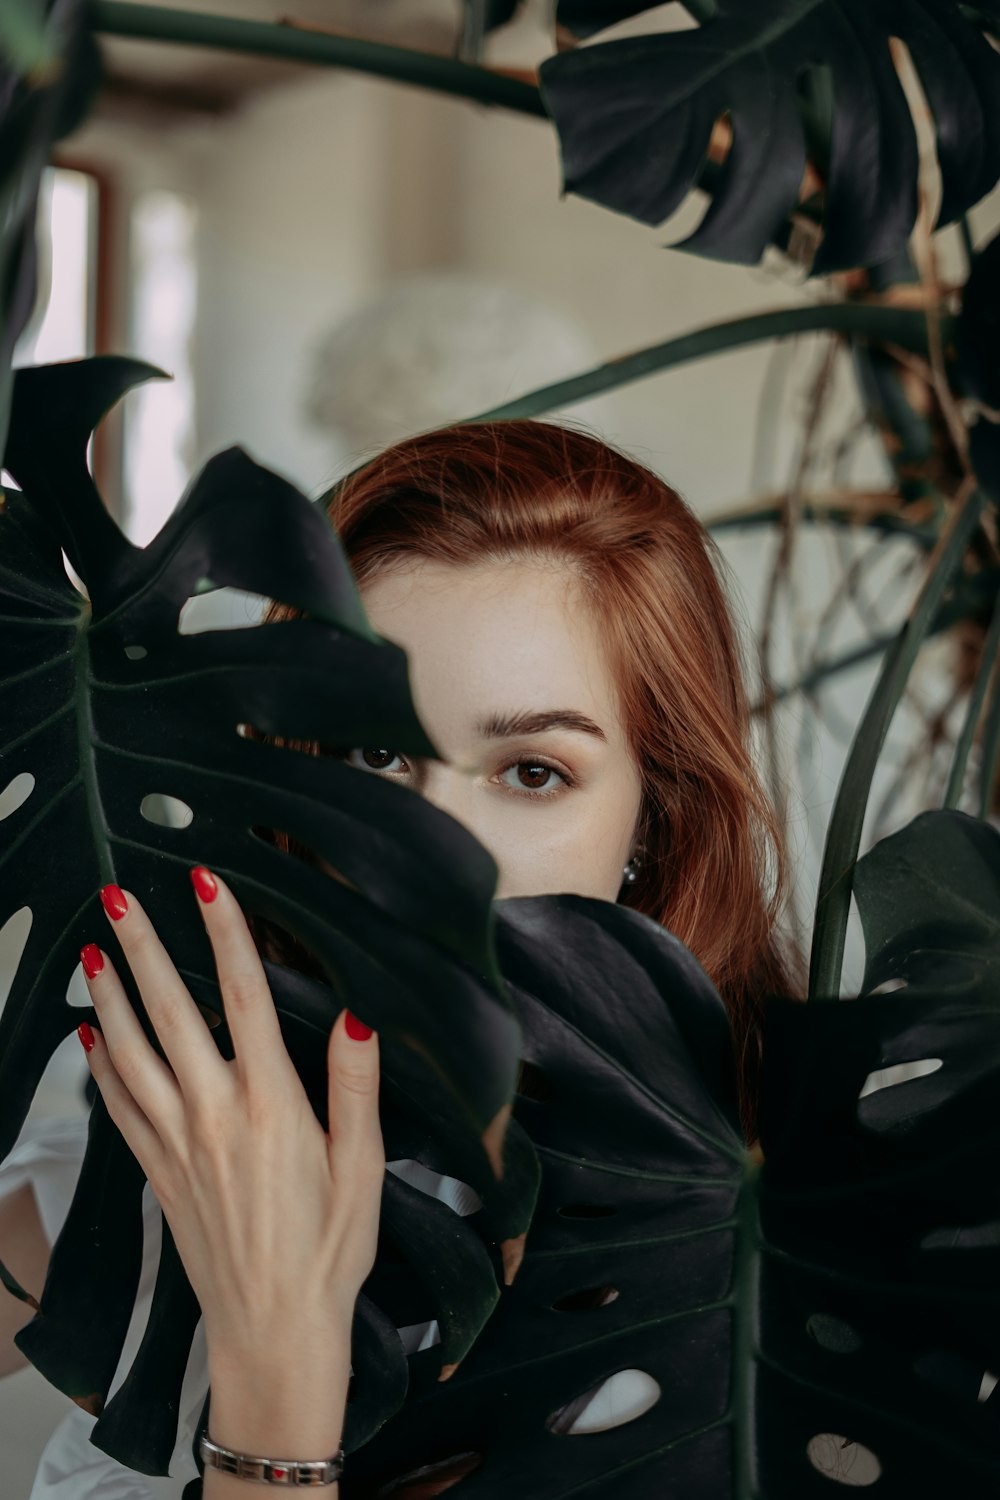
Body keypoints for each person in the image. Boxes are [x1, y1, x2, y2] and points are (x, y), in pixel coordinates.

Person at [0, 417, 808, 1497]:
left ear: (653, 821)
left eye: (530, 773)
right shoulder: (184, 1129)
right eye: (375, 752)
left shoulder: (776, 1252)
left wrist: (275, 1371)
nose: (426, 857)